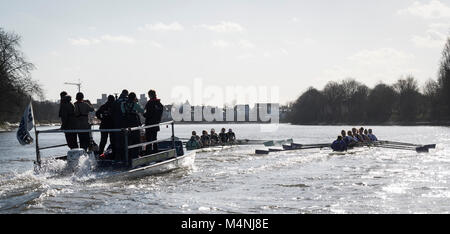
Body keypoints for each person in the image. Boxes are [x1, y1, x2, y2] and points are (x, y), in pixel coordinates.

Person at [121, 92, 145, 161]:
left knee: (128, 140)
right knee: (136, 140)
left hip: (126, 124)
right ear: (134, 98)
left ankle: (128, 156)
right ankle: (135, 156)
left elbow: (123, 112)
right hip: (134, 124)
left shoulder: (123, 104)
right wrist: (137, 103)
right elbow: (142, 111)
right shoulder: (135, 104)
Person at [143, 90, 164, 155]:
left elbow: (147, 114)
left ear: (150, 95)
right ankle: (155, 151)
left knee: (148, 139)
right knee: (154, 138)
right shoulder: (159, 103)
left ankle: (148, 152)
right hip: (156, 123)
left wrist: (143, 114)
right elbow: (160, 112)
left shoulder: (149, 103)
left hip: (149, 123)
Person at [111, 90, 128, 161]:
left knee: (118, 140)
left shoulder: (116, 101)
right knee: (126, 140)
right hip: (126, 123)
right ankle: (126, 156)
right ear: (127, 94)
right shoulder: (127, 100)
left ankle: (118, 157)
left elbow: (112, 112)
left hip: (117, 123)